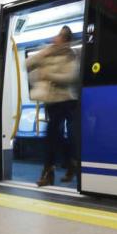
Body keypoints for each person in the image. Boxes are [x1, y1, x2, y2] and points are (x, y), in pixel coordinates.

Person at [26, 26, 80, 187]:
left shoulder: (70, 55)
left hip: (65, 101)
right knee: (56, 136)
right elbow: (28, 63)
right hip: (51, 101)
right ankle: (71, 164)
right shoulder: (48, 52)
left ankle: (48, 172)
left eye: (61, 37)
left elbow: (70, 77)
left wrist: (48, 75)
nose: (57, 38)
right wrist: (45, 52)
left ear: (66, 40)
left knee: (51, 136)